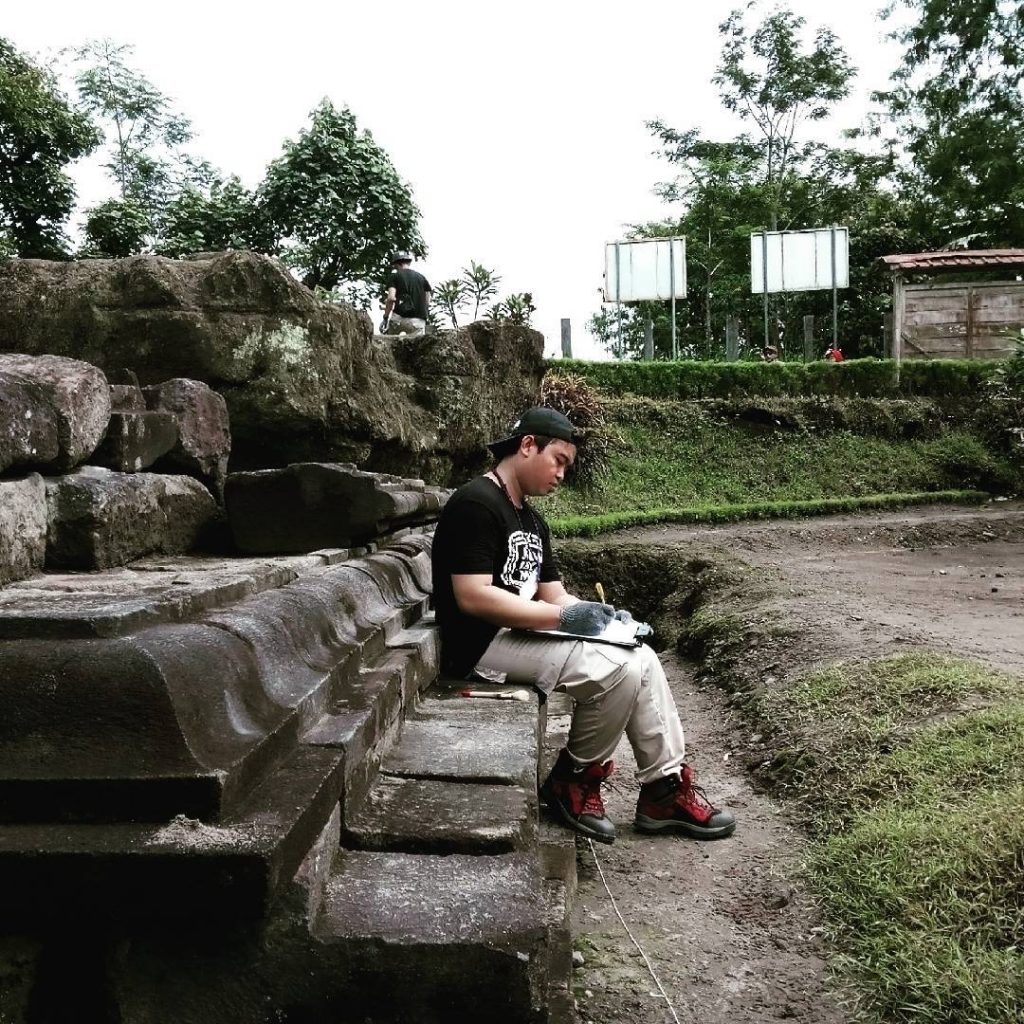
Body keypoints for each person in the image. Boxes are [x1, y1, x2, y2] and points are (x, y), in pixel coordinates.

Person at [430, 407, 736, 844]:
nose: (562, 474)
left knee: (641, 656)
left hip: (520, 633)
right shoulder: (477, 502)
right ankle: (573, 780)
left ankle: (663, 789)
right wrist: (565, 618)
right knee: (617, 670)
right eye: (559, 460)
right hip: (481, 645)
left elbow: (554, 594)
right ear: (528, 445)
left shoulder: (532, 520)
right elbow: (473, 596)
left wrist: (604, 617)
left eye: (567, 467)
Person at [380, 252, 431, 338]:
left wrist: (385, 317)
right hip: (417, 321)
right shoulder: (422, 277)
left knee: (391, 345)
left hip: (399, 319)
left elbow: (391, 298)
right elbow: (428, 299)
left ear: (397, 264)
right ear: (409, 262)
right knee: (417, 348)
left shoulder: (394, 276)